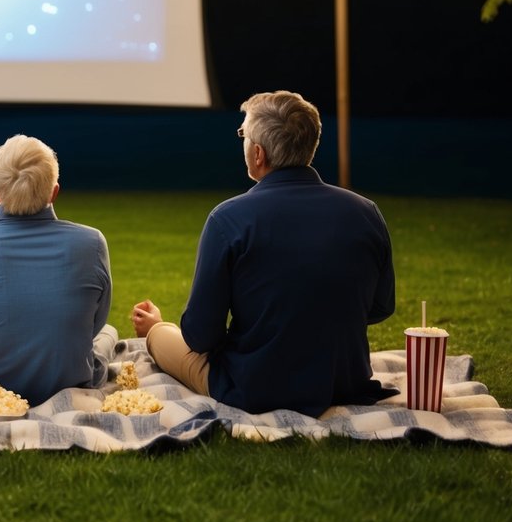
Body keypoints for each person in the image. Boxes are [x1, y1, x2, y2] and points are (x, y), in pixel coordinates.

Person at [131, 91, 396, 416]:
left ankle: (155, 328)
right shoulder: (366, 212)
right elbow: (381, 307)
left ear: (258, 153)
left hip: (254, 385)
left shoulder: (229, 219)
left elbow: (201, 336)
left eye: (243, 135)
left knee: (161, 336)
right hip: (343, 380)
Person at [0, 134, 117, 406]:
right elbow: (95, 324)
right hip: (70, 382)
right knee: (109, 333)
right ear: (54, 191)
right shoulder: (93, 243)